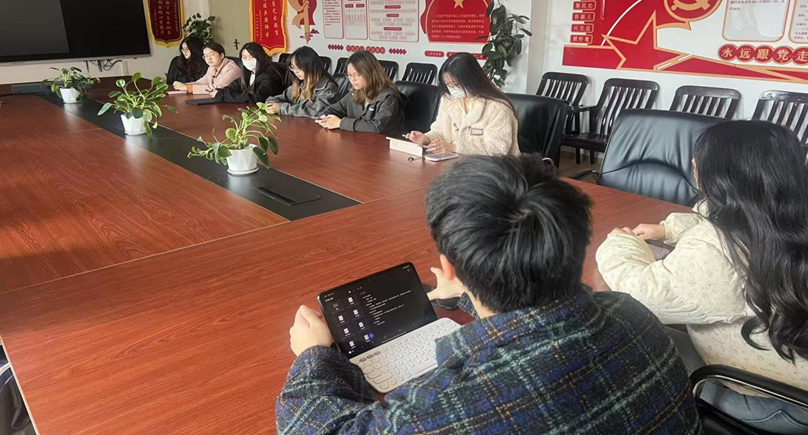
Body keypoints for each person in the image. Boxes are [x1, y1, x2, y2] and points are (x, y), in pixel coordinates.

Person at [276, 154, 701, 434]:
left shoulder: (446, 408)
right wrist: (468, 296)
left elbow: (319, 428)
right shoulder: (632, 313)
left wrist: (314, 355)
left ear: (450, 267)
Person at [597, 120, 808, 434]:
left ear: (722, 176)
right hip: (794, 378)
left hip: (763, 398)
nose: (694, 163)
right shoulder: (788, 214)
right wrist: (668, 229)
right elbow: (733, 216)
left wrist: (620, 242)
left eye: (701, 160)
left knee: (620, 336)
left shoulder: (716, 249)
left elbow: (640, 294)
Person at [405, 53, 519, 156]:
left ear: (472, 79)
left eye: (456, 84)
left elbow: (497, 149)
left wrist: (454, 147)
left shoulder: (498, 108)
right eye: (448, 85)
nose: (453, 89)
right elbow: (440, 131)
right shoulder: (449, 100)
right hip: (454, 163)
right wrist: (426, 139)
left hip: (490, 168)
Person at [316, 51, 405, 135]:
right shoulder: (354, 93)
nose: (352, 79)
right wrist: (325, 118)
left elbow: (378, 127)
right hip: (357, 141)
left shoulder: (388, 97)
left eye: (357, 75)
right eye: (349, 75)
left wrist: (340, 123)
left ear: (371, 73)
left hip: (382, 143)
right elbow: (332, 110)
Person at [264, 46, 338, 116]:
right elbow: (276, 99)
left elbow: (315, 112)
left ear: (311, 67)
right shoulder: (300, 84)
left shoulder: (328, 88)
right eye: (293, 67)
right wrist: (271, 105)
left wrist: (282, 108)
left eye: (299, 67)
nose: (295, 71)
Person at [217, 42, 288, 103]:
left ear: (260, 57)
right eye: (244, 57)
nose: (248, 60)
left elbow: (257, 98)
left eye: (251, 57)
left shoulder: (269, 75)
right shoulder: (249, 73)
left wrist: (226, 96)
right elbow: (231, 88)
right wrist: (221, 93)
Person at [173, 41, 242, 96]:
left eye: (212, 55)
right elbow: (201, 82)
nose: (208, 58)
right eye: (205, 56)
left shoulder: (231, 69)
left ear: (221, 55)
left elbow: (217, 89)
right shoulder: (212, 67)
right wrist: (184, 85)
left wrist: (187, 88)